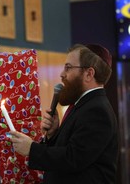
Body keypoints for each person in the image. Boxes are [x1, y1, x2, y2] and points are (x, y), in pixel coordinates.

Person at [10, 44, 118, 184]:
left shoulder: (97, 110)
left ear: (89, 74)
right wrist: (54, 134)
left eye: (68, 68)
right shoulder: (83, 105)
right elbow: (71, 151)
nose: (62, 74)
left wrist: (32, 149)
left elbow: (73, 158)